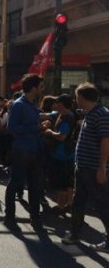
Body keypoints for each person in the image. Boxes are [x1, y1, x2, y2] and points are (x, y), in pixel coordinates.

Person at [62, 83, 109, 251]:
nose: (75, 101)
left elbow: (106, 142)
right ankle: (74, 234)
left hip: (93, 168)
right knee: (78, 202)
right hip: (82, 166)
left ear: (82, 98)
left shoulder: (102, 115)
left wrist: (102, 168)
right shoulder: (91, 113)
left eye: (76, 97)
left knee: (102, 204)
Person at [4, 74, 46, 231]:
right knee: (15, 183)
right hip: (21, 150)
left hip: (35, 149)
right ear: (34, 88)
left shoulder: (32, 104)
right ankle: (9, 216)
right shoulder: (19, 105)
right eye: (41, 87)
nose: (42, 90)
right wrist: (36, 128)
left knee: (35, 186)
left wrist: (40, 126)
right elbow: (12, 128)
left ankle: (35, 218)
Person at [43, 94, 75, 214]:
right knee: (69, 183)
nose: (55, 105)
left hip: (62, 155)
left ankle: (61, 206)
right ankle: (70, 204)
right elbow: (47, 115)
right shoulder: (63, 114)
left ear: (62, 104)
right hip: (68, 154)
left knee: (62, 182)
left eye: (57, 103)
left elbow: (62, 137)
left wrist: (50, 132)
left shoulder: (67, 117)